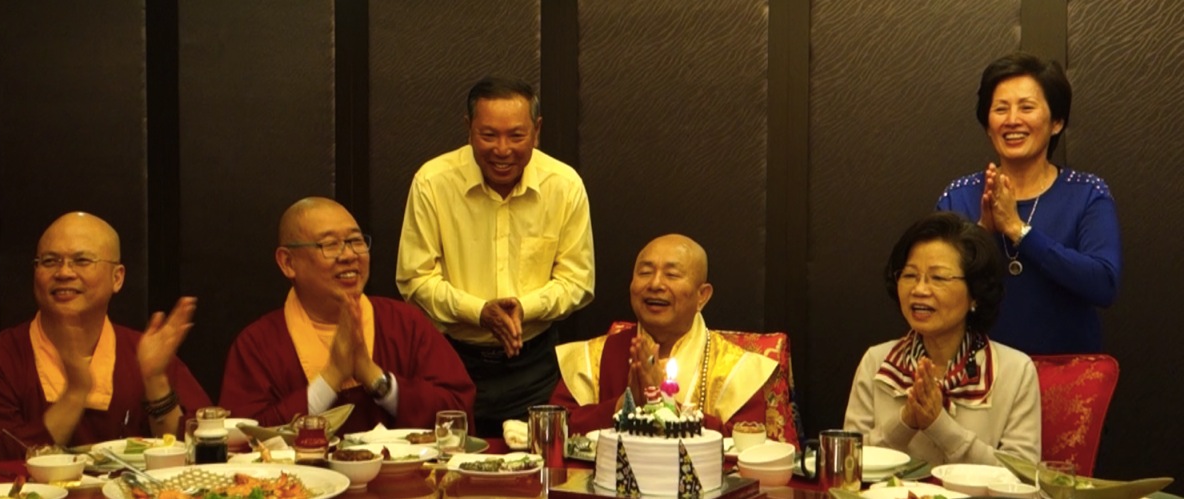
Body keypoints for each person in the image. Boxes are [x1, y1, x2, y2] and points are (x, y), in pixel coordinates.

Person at [396, 76, 595, 435]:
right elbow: (414, 279)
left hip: (534, 365)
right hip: (451, 358)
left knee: (538, 462)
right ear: (468, 129)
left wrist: (524, 308)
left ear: (536, 131)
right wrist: (478, 312)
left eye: (516, 136)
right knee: (449, 463)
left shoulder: (564, 185)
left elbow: (578, 281)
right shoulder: (433, 182)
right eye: (488, 135)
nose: (502, 150)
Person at [0, 212, 210, 463]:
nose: (64, 272)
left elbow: (201, 451)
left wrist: (155, 381)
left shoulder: (143, 353)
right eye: (49, 261)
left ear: (117, 278)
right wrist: (75, 394)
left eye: (82, 260)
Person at [220, 197, 475, 434]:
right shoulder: (258, 344)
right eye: (330, 245)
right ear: (288, 262)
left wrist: (375, 379)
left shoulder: (405, 323)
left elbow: (457, 413)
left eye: (356, 241)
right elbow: (243, 436)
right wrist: (332, 377)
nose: (350, 255)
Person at [936, 52, 1121, 354]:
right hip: (978, 370)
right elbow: (934, 289)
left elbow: (1103, 285)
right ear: (988, 124)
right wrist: (981, 235)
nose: (1012, 120)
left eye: (1026, 107)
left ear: (1057, 122)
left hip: (1066, 371)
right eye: (1001, 109)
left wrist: (1018, 230)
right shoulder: (958, 196)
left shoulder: (1088, 194)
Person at [549, 234, 794, 441]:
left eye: (672, 275)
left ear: (702, 296)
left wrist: (663, 406)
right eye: (645, 272)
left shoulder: (736, 370)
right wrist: (622, 406)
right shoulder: (595, 356)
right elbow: (554, 429)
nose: (655, 284)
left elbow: (746, 448)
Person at [844, 212, 1040, 466]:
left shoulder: (1015, 371)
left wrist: (940, 425)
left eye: (938, 278)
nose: (919, 290)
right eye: (910, 275)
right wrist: (905, 422)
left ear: (975, 293)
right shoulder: (877, 362)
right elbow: (848, 463)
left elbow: (1022, 475)